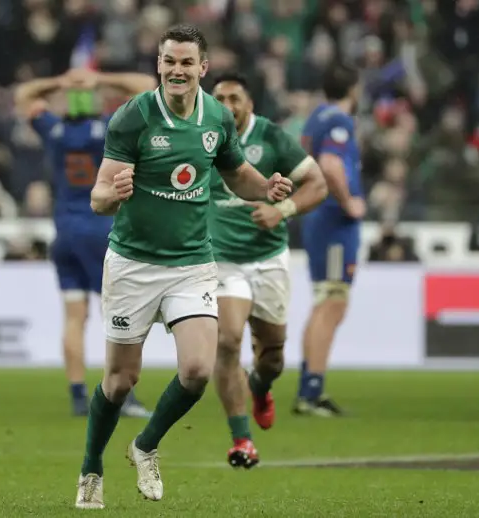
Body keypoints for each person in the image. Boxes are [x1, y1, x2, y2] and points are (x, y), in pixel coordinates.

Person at [75, 24, 293, 509]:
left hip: (192, 262)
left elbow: (237, 174)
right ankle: (91, 467)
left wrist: (268, 188)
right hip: (133, 263)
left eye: (186, 63)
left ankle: (145, 445)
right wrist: (114, 194)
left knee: (197, 370)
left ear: (202, 68)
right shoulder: (131, 118)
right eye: (169, 61)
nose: (177, 70)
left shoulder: (216, 116)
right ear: (159, 64)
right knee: (119, 381)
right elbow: (98, 197)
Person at [14, 68, 157, 418]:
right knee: (121, 314)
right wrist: (103, 79)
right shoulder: (110, 127)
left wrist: (58, 80)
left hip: (63, 231)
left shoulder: (54, 130)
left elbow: (24, 95)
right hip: (101, 229)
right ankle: (122, 394)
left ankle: (78, 395)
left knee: (74, 317)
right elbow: (147, 88)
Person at [209, 73, 327, 468]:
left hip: (268, 259)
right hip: (221, 260)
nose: (226, 104)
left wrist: (282, 210)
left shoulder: (271, 136)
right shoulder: (199, 136)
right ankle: (241, 439)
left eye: (234, 97)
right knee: (227, 340)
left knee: (272, 355)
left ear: (249, 104)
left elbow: (316, 183)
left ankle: (260, 387)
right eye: (219, 97)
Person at [293, 64, 366, 417]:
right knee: (333, 303)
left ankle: (308, 385)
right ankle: (312, 391)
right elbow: (331, 165)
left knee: (324, 300)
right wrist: (348, 200)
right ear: (355, 88)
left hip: (316, 219)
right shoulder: (339, 121)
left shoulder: (314, 118)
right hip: (334, 222)